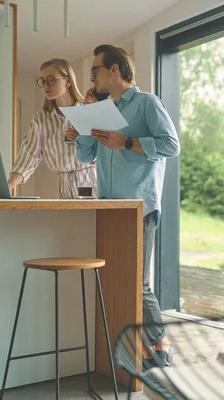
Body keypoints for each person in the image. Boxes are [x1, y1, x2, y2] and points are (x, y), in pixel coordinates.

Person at [69, 44, 180, 366]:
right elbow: (85, 156)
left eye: (95, 70)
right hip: (108, 207)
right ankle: (141, 351)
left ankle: (161, 345)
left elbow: (171, 145)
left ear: (114, 70)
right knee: (118, 280)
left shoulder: (147, 103)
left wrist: (128, 142)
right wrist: (83, 129)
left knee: (138, 283)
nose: (91, 76)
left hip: (139, 207)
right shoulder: (105, 108)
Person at [8, 58, 97, 199]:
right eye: (43, 81)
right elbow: (28, 156)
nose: (46, 85)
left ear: (68, 81)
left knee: (91, 218)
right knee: (68, 221)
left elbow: (107, 151)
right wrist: (8, 186)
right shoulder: (40, 120)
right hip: (63, 187)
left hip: (89, 181)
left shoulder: (89, 110)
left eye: (51, 79)